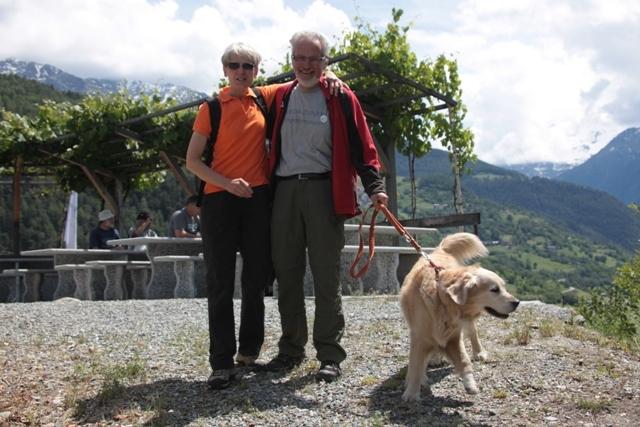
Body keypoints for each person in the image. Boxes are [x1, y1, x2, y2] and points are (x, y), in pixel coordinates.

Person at [185, 42, 344, 390]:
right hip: (219, 200)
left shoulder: (264, 97)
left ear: (257, 71)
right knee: (220, 282)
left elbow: (306, 76)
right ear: (225, 69)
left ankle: (248, 351)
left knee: (256, 279)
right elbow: (192, 161)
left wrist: (332, 75)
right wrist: (227, 184)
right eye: (234, 65)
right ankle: (220, 362)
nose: (241, 71)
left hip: (257, 200)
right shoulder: (210, 108)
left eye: (248, 66)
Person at [261, 31, 388, 383]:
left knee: (326, 276)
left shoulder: (340, 96)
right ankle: (290, 350)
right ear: (291, 61)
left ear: (325, 62)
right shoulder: (279, 96)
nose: (306, 65)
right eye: (299, 58)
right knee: (286, 274)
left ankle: (330, 354)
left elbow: (363, 145)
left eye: (313, 59)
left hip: (323, 191)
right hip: (284, 192)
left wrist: (375, 187)